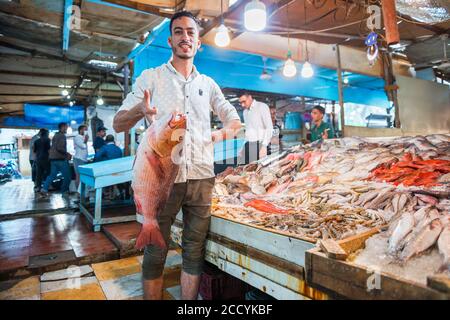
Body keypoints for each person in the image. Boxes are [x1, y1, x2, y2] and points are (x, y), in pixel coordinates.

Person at [113, 11, 242, 300]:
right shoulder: (151, 78)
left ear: (199, 44)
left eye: (191, 33)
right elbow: (118, 123)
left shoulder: (207, 84)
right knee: (155, 251)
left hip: (201, 178)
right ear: (170, 40)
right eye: (179, 32)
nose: (185, 37)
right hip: (161, 180)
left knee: (193, 252)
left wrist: (218, 135)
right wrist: (140, 111)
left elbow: (235, 122)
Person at [238, 93, 273, 163]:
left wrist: (264, 146)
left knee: (259, 170)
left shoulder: (262, 107)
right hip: (248, 144)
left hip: (260, 145)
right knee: (244, 169)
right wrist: (242, 147)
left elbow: (269, 127)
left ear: (250, 97)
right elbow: (248, 131)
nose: (242, 105)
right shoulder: (245, 112)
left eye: (244, 101)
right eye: (241, 103)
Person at [40, 122, 72, 197]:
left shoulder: (55, 135)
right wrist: (67, 154)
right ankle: (64, 191)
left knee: (52, 175)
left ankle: (44, 189)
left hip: (53, 159)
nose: (67, 129)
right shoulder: (62, 136)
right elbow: (60, 148)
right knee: (67, 176)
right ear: (63, 127)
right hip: (60, 159)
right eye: (66, 127)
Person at [33, 128, 51, 192]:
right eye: (48, 133)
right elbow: (49, 150)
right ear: (46, 133)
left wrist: (35, 160)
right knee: (49, 173)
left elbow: (34, 152)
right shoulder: (47, 140)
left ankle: (38, 187)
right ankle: (47, 186)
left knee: (39, 174)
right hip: (46, 159)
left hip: (38, 159)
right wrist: (51, 157)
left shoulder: (36, 141)